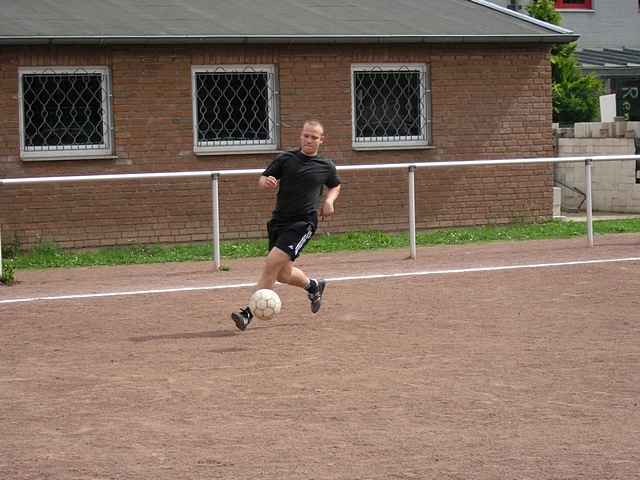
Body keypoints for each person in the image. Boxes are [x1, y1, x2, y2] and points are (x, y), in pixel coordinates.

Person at [231, 120, 341, 331]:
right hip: (279, 221)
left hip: (304, 222)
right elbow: (263, 179)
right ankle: (313, 286)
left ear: (321, 140)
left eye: (314, 137)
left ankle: (247, 313)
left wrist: (329, 201)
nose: (309, 140)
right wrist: (267, 182)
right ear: (301, 136)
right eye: (306, 136)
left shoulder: (326, 166)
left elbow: (335, 185)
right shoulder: (286, 159)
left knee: (272, 262)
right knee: (282, 274)